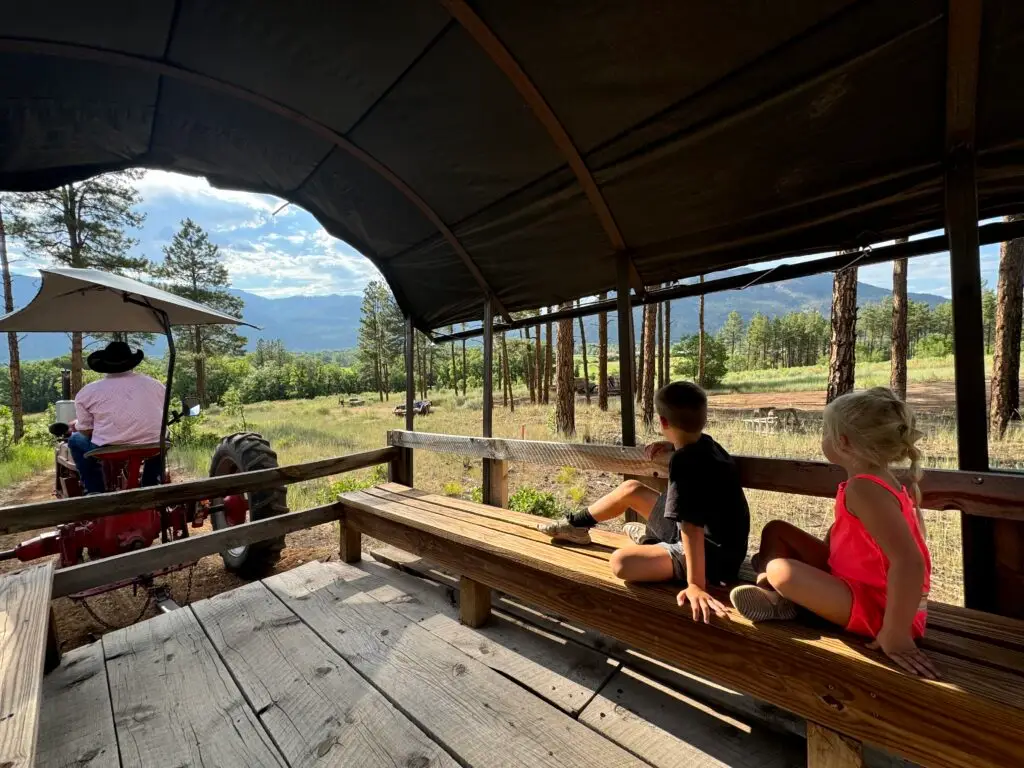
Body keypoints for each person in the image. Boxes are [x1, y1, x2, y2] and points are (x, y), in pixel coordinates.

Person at [730, 387, 937, 679]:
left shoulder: (865, 489)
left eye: (825, 432)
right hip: (852, 580)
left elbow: (909, 562)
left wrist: (895, 632)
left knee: (780, 569)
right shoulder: (873, 480)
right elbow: (853, 536)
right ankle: (774, 595)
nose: (822, 438)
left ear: (842, 443)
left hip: (880, 606)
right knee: (777, 530)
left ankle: (776, 594)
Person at [539, 381, 750, 623]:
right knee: (632, 489)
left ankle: (653, 543)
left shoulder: (685, 463)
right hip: (723, 545)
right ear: (703, 418)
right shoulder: (709, 445)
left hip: (710, 558)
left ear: (662, 423)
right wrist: (671, 444)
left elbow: (692, 527)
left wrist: (695, 585)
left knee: (621, 563)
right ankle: (576, 525)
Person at [67, 341, 166, 493]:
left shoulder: (88, 392)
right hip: (151, 446)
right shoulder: (157, 385)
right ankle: (151, 484)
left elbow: (86, 431)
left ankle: (95, 491)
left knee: (75, 440)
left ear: (105, 365)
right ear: (132, 363)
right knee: (164, 439)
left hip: (109, 449)